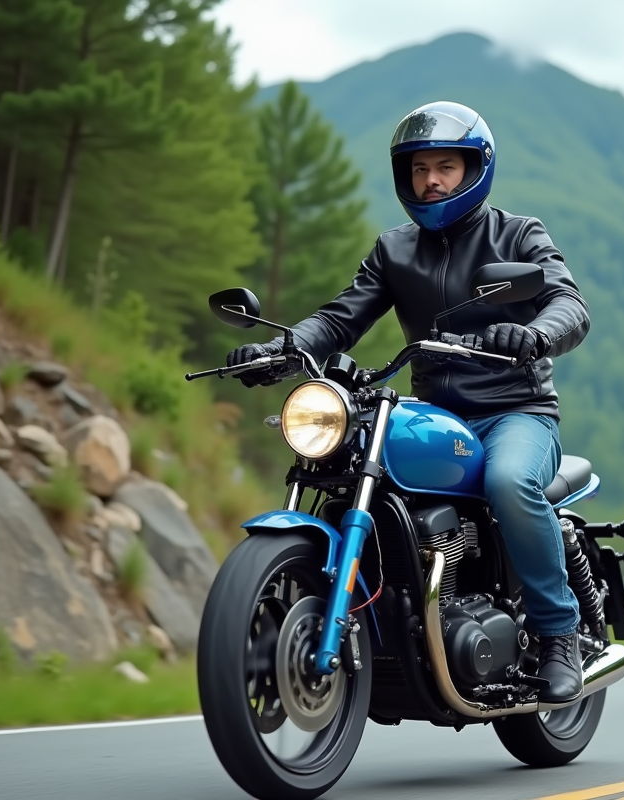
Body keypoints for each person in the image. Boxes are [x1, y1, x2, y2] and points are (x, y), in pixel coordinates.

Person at [226, 101, 591, 703]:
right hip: (438, 417)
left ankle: (558, 635)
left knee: (507, 481)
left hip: (515, 412)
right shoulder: (395, 250)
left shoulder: (518, 236)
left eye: (446, 166)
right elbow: (340, 319)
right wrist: (281, 349)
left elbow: (568, 306)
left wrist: (535, 334)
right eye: (420, 169)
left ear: (476, 168)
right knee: (347, 466)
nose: (432, 181)